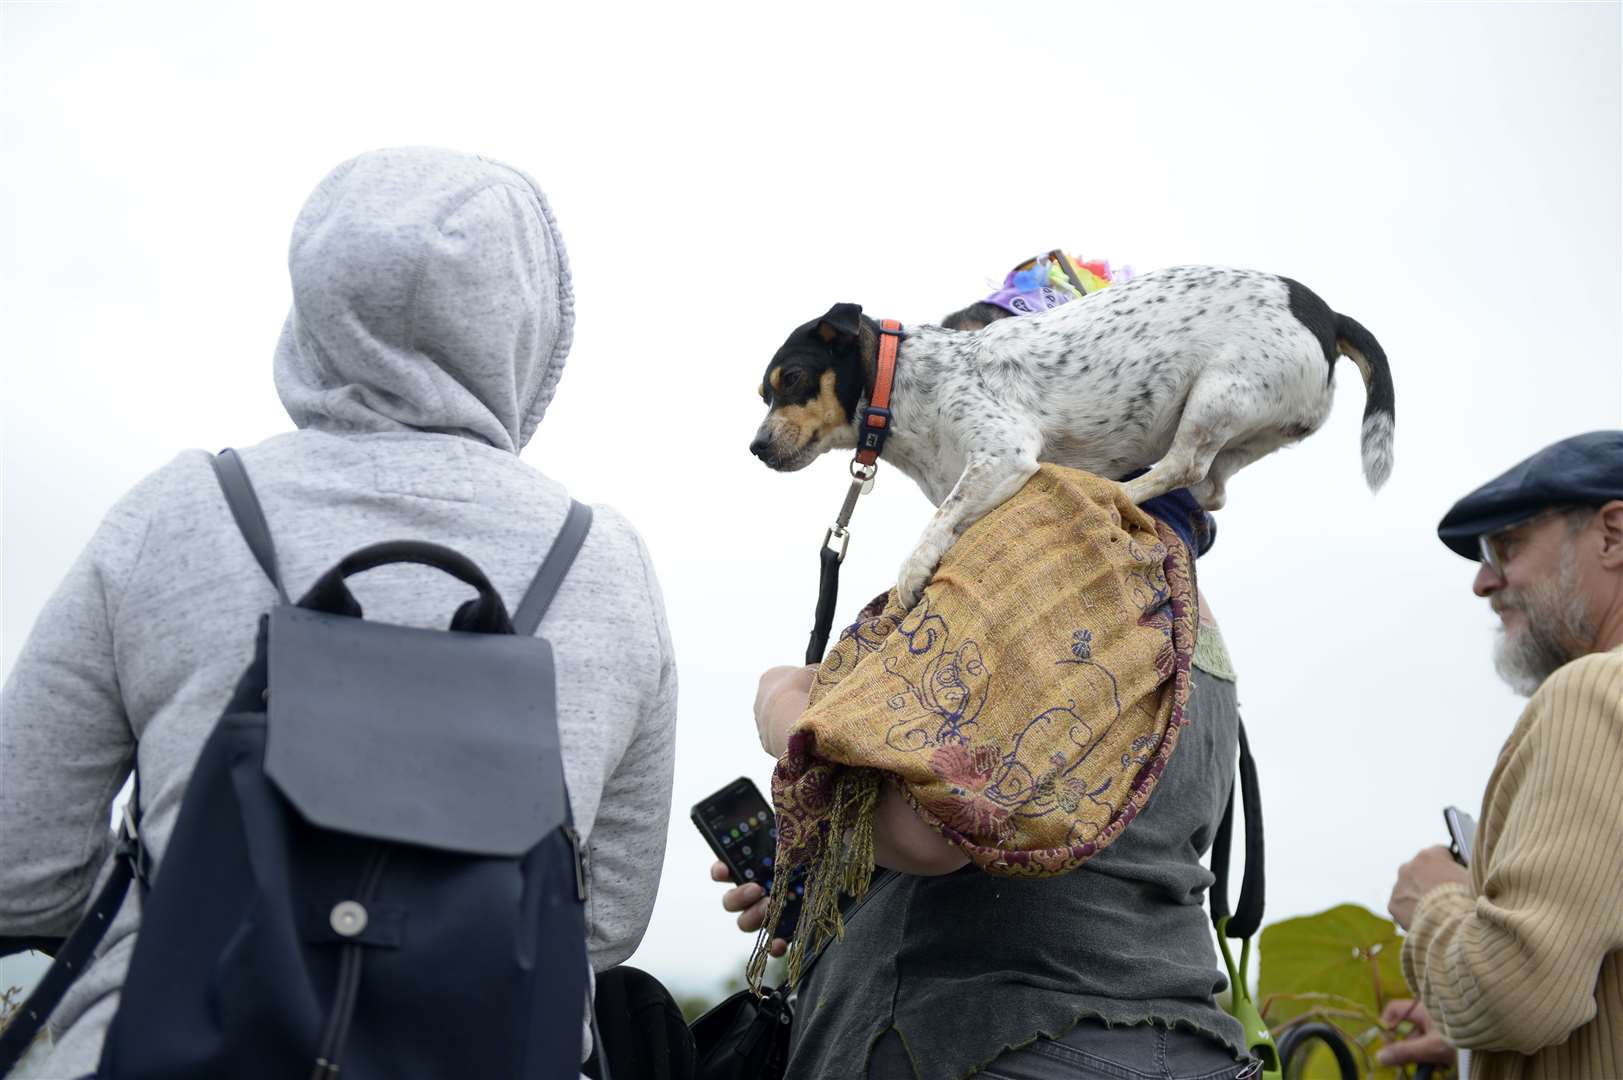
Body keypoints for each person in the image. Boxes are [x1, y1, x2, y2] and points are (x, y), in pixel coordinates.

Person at [0, 147, 679, 1078]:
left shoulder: (179, 512)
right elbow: (604, 922)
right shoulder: (604, 562)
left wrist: (212, 902)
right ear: (532, 324)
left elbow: (18, 868)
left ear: (311, 297)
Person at [712, 253, 1255, 1079]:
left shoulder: (1039, 576)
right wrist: (828, 847)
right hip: (1180, 1043)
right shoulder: (1189, 621)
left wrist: (789, 715)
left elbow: (930, 834)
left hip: (976, 1039)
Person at [1382, 430, 1623, 1079]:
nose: (1483, 582)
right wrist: (1468, 1048)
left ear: (1612, 535)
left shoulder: (1595, 690)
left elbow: (1517, 999)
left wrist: (1432, 902)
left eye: (1505, 546)